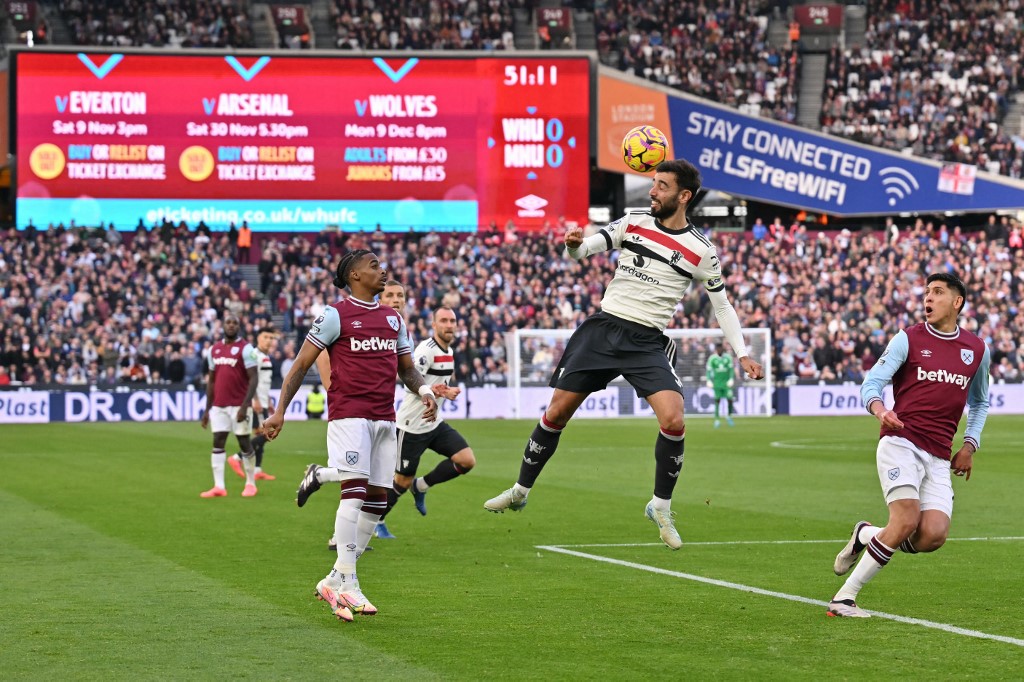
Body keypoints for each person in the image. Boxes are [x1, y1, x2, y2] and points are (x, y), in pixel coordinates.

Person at [483, 159, 764, 549]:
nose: (653, 191)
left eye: (662, 186)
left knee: (675, 418)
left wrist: (743, 353)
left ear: (684, 196)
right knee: (557, 412)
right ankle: (520, 490)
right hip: (603, 329)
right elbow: (583, 252)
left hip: (647, 341)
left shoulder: (701, 250)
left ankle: (660, 505)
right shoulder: (633, 222)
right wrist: (573, 245)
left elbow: (722, 306)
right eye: (653, 183)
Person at [261, 250, 437, 622]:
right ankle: (350, 584)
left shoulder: (393, 319)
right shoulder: (334, 315)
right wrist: (279, 410)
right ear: (355, 275)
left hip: (384, 419)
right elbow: (301, 364)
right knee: (354, 494)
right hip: (349, 416)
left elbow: (407, 369)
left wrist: (424, 391)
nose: (383, 270)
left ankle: (335, 577)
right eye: (374, 265)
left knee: (377, 500)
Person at [827, 273, 991, 618]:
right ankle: (844, 598)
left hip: (939, 454)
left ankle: (865, 535)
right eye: (927, 292)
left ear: (956, 302)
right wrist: (880, 409)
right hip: (901, 441)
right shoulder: (908, 339)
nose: (927, 298)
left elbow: (980, 403)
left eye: (937, 292)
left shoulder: (977, 349)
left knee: (932, 535)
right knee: (904, 521)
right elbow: (871, 383)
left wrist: (969, 445)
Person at [379, 306, 474, 522]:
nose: (449, 325)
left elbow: (438, 385)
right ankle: (376, 521)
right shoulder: (425, 351)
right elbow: (409, 383)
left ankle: (420, 486)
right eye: (444, 321)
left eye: (452, 321)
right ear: (434, 325)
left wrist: (445, 390)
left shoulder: (449, 352)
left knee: (466, 460)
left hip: (433, 423)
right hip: (411, 425)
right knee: (400, 482)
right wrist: (436, 391)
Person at [199, 313, 259, 498]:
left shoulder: (246, 349)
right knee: (218, 442)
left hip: (239, 405)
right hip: (219, 406)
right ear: (223, 326)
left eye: (234, 323)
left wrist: (245, 405)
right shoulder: (214, 350)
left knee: (243, 441)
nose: (231, 325)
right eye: (228, 323)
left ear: (239, 327)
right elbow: (211, 381)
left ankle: (250, 483)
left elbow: (253, 378)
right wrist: (207, 409)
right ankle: (219, 486)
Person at [228, 327, 278, 482]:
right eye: (266, 337)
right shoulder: (254, 355)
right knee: (265, 435)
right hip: (256, 403)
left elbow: (263, 382)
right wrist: (255, 399)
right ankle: (237, 457)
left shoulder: (266, 357)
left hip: (263, 402)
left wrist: (268, 400)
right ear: (258, 338)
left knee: (260, 435)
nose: (269, 340)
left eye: (271, 337)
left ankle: (257, 470)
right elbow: (251, 379)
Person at [705, 343, 735, 428]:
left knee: (730, 399)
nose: (719, 350)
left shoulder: (728, 357)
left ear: (723, 348)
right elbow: (708, 370)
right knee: (717, 400)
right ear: (716, 349)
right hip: (717, 383)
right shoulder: (712, 358)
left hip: (726, 383)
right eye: (718, 348)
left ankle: (729, 416)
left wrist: (731, 379)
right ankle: (717, 419)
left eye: (721, 348)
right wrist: (708, 380)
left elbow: (731, 369)